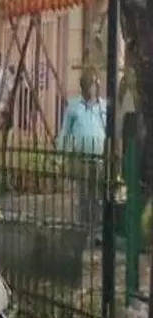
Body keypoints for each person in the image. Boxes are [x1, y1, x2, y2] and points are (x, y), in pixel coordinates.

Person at [57, 70, 107, 234]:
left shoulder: (103, 106)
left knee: (99, 194)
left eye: (96, 83)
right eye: (91, 83)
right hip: (81, 157)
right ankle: (84, 228)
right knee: (84, 194)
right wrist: (60, 156)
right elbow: (65, 132)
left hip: (100, 158)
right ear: (84, 86)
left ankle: (98, 228)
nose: (94, 87)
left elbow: (110, 131)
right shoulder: (73, 106)